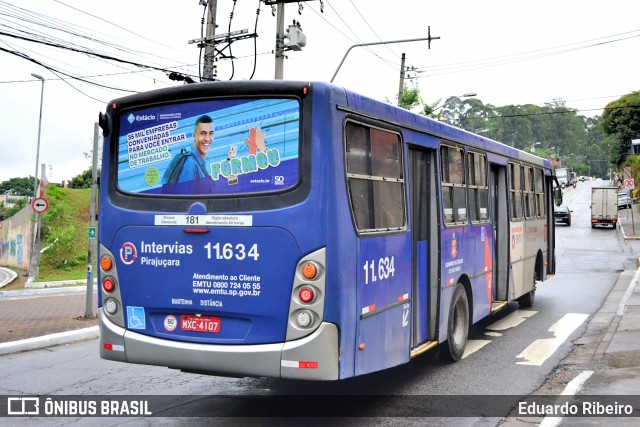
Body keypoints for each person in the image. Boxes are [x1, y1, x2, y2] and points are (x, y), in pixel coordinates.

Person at [162, 115, 216, 193]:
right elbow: (183, 201)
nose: (207, 139)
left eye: (211, 133)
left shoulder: (198, 162)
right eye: (203, 133)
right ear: (194, 136)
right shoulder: (190, 165)